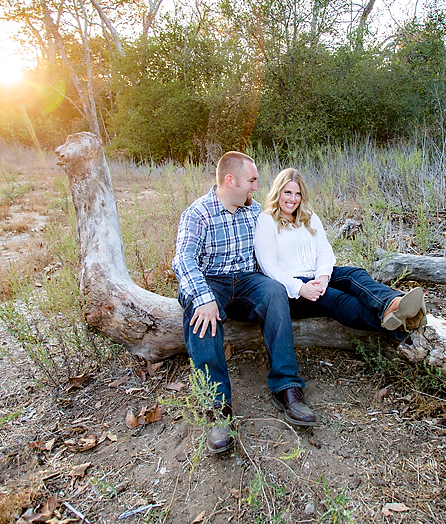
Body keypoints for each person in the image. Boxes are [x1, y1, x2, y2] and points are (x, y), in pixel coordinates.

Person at [172, 152, 317, 455]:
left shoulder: (253, 213)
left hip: (248, 280)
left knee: (274, 292)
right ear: (230, 181)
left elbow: (281, 243)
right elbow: (184, 260)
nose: (255, 187)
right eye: (251, 181)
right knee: (202, 316)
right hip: (212, 281)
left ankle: (286, 387)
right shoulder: (198, 213)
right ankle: (217, 407)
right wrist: (203, 298)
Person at [254, 168, 427, 336]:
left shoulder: (309, 217)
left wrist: (322, 277)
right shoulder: (267, 220)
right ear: (278, 192)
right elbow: (268, 266)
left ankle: (391, 303)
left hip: (316, 276)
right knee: (340, 299)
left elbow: (324, 250)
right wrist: (300, 288)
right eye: (287, 192)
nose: (293, 199)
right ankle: (404, 325)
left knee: (355, 274)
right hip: (292, 290)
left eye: (298, 194)